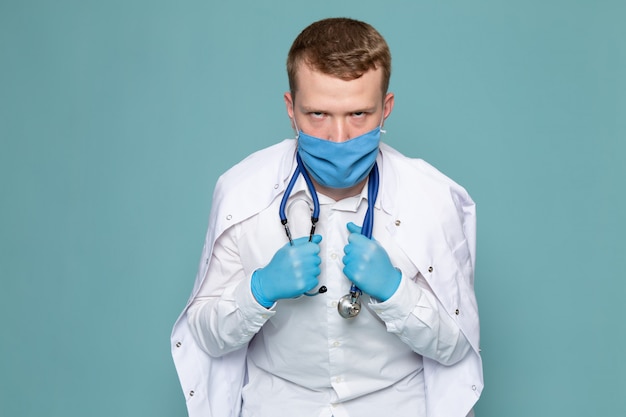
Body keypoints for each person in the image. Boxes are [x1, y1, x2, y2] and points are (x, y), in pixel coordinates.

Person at [171, 17, 483, 417]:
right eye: (318, 114)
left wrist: (394, 292)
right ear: (291, 108)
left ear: (385, 109)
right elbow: (206, 337)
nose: (339, 137)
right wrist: (259, 290)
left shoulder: (433, 200)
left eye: (358, 114)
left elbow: (458, 346)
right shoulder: (242, 195)